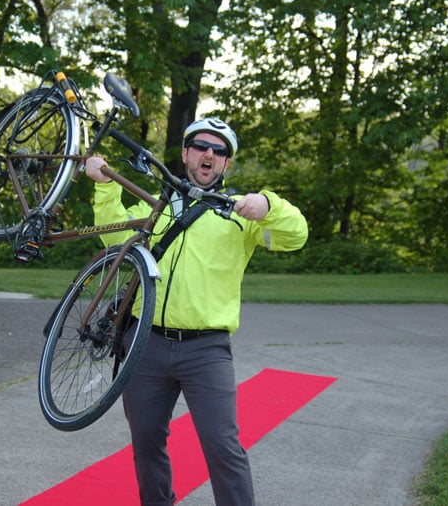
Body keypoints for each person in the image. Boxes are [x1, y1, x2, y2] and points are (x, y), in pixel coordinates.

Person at [85, 117, 308, 506]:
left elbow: (296, 236)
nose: (209, 154)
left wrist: (269, 204)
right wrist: (104, 187)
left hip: (206, 350)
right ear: (186, 153)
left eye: (219, 150)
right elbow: (114, 235)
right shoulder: (156, 206)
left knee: (224, 449)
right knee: (146, 441)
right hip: (145, 343)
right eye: (201, 146)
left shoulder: (240, 214)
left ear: (226, 164)